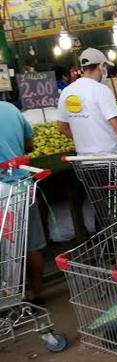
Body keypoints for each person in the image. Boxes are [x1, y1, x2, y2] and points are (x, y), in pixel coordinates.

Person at [0, 101, 47, 306]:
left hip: (3, 190)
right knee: (31, 243)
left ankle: (9, 295)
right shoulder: (11, 109)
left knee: (7, 249)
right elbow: (29, 145)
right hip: (22, 185)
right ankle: (36, 294)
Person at [57, 48, 117, 155]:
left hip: (84, 159)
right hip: (111, 158)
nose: (106, 71)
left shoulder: (66, 91)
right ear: (101, 66)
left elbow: (62, 128)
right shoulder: (101, 89)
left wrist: (86, 143)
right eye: (105, 67)